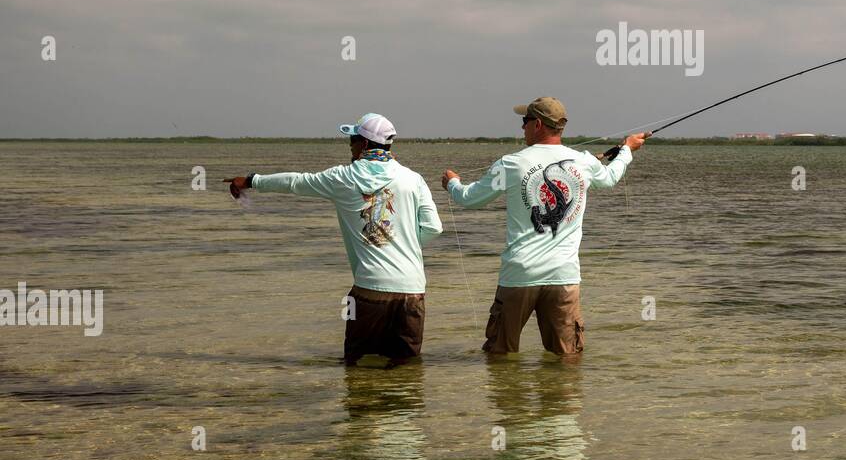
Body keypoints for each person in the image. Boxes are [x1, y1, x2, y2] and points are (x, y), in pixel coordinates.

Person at [224, 113, 442, 366]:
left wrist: (252, 180)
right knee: (406, 370)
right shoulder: (414, 179)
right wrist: (401, 246)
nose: (349, 145)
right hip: (413, 292)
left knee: (356, 364)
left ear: (365, 144)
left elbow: (296, 182)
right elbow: (434, 227)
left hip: (368, 292)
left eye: (352, 139)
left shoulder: (342, 177)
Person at [441, 97, 648, 356]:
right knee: (567, 357)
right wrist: (627, 149)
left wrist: (452, 183)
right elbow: (610, 177)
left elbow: (468, 198)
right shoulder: (583, 162)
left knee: (499, 354)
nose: (522, 127)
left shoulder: (511, 164)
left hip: (519, 277)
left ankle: (505, 397)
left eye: (525, 121)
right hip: (564, 277)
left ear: (537, 124)